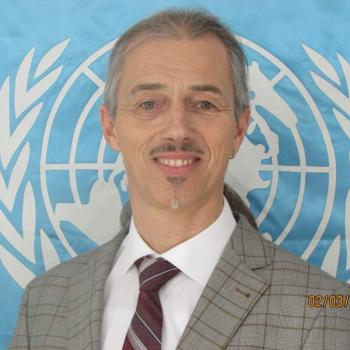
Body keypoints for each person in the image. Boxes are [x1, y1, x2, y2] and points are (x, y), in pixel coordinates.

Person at [10, 8, 350, 350]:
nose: (177, 129)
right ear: (111, 128)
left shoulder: (325, 306)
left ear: (239, 129)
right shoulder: (43, 301)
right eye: (148, 104)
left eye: (203, 104)